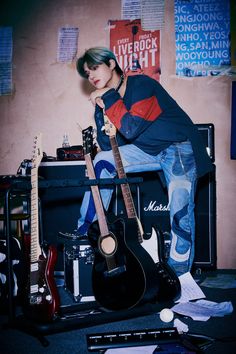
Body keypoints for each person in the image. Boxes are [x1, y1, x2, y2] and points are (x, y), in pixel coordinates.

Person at [60, 46, 213, 276]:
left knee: (180, 215)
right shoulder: (108, 101)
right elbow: (110, 144)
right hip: (149, 150)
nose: (91, 76)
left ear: (111, 64)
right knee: (103, 161)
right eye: (87, 73)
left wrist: (108, 97)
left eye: (95, 68)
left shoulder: (141, 85)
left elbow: (131, 128)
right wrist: (101, 112)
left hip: (178, 148)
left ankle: (178, 278)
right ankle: (87, 231)